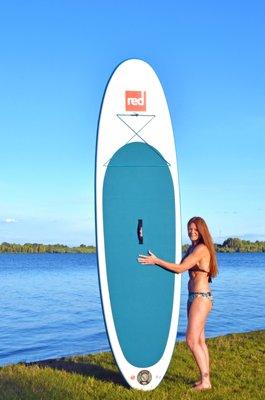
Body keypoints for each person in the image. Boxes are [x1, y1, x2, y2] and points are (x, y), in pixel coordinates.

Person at [138, 216, 218, 391]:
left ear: (202, 231)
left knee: (191, 340)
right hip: (194, 297)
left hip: (201, 297)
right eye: (189, 229)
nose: (192, 232)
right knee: (200, 341)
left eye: (195, 229)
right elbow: (177, 265)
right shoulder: (192, 248)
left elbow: (180, 269)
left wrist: (156, 261)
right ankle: (205, 379)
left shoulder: (202, 249)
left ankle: (206, 382)